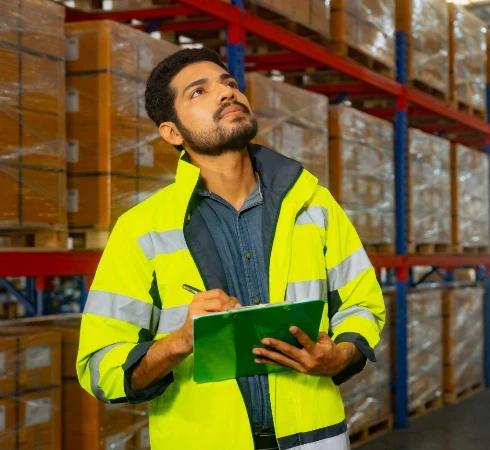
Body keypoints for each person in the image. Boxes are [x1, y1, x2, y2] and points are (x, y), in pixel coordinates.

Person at [75, 48, 385, 450]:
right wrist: (179, 341)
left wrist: (339, 355)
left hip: (315, 440)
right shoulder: (141, 230)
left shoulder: (314, 205)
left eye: (230, 84)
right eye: (199, 92)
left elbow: (364, 304)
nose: (227, 94)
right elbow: (100, 368)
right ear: (171, 133)